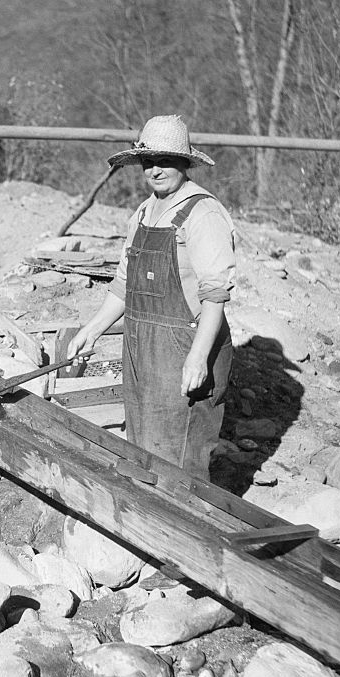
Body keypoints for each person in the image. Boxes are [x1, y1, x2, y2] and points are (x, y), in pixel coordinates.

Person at [68, 115, 235, 482]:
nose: (155, 170)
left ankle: (191, 529)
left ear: (185, 163)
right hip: (142, 347)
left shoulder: (203, 213)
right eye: (148, 162)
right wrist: (93, 329)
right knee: (144, 446)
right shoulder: (144, 212)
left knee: (181, 460)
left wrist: (198, 357)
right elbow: (125, 284)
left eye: (165, 161)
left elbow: (215, 296)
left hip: (184, 348)